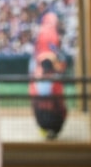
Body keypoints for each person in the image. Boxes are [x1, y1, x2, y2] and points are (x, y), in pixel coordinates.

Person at [29, 11, 67, 140]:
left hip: (42, 71)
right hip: (46, 71)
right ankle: (49, 131)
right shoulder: (51, 34)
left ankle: (46, 130)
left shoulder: (41, 32)